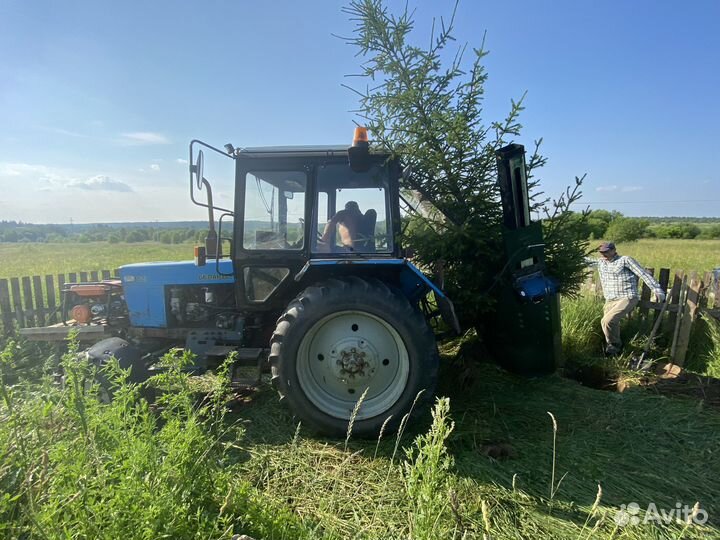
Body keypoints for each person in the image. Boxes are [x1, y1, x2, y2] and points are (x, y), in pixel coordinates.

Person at [589, 241, 666, 356]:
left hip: (627, 297)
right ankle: (613, 351)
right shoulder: (601, 262)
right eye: (602, 252)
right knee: (609, 324)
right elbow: (583, 261)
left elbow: (642, 274)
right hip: (610, 299)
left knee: (607, 321)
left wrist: (657, 289)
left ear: (614, 250)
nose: (604, 254)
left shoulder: (625, 260)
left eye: (606, 252)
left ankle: (615, 347)